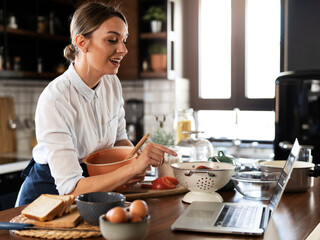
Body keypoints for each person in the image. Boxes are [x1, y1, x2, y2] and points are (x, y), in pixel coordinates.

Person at [16, 2, 177, 206]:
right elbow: (71, 187)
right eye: (112, 40)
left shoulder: (112, 83)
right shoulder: (55, 100)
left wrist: (136, 161)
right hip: (47, 198)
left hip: (95, 191)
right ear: (82, 43)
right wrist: (129, 170)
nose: (124, 49)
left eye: (124, 40)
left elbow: (119, 141)